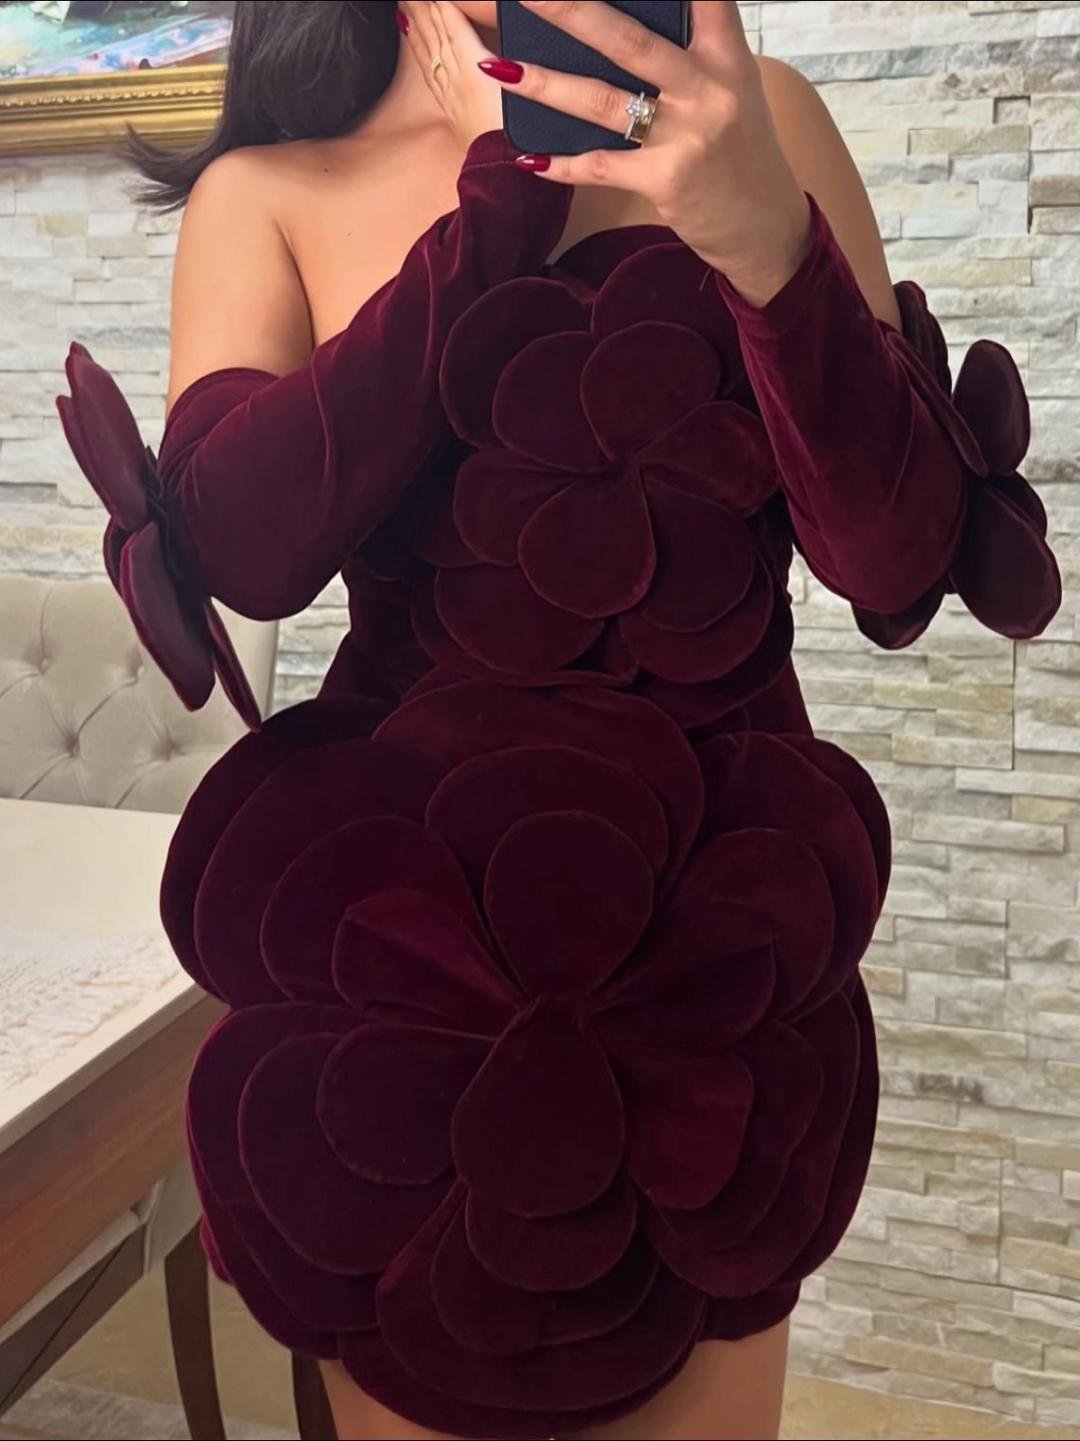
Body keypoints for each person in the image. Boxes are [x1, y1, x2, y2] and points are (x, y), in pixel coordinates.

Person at [56, 3, 1061, 1438]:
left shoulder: (758, 118)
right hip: (398, 980)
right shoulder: (270, 190)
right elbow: (240, 546)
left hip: (723, 972)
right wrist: (494, 209)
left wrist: (768, 246)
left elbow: (893, 556)